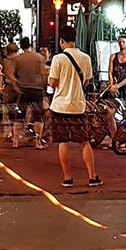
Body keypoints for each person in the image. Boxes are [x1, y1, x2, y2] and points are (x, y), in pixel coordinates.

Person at [48, 26, 100, 187]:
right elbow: (87, 82)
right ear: (75, 40)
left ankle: (68, 178)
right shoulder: (85, 58)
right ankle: (92, 176)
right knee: (84, 141)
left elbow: (52, 82)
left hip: (60, 106)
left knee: (63, 142)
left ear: (62, 41)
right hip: (78, 105)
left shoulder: (58, 59)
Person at [10, 37, 48, 149]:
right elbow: (43, 74)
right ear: (30, 45)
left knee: (19, 116)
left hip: (23, 89)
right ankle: (37, 142)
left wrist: (16, 85)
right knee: (38, 117)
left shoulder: (17, 59)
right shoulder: (39, 57)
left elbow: (11, 75)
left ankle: (15, 142)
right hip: (36, 89)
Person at [106, 36, 126, 140]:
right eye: (119, 42)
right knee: (110, 113)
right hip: (115, 89)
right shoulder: (113, 57)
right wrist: (112, 85)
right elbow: (110, 72)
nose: (121, 44)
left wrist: (117, 86)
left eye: (123, 42)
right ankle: (114, 138)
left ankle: (125, 139)